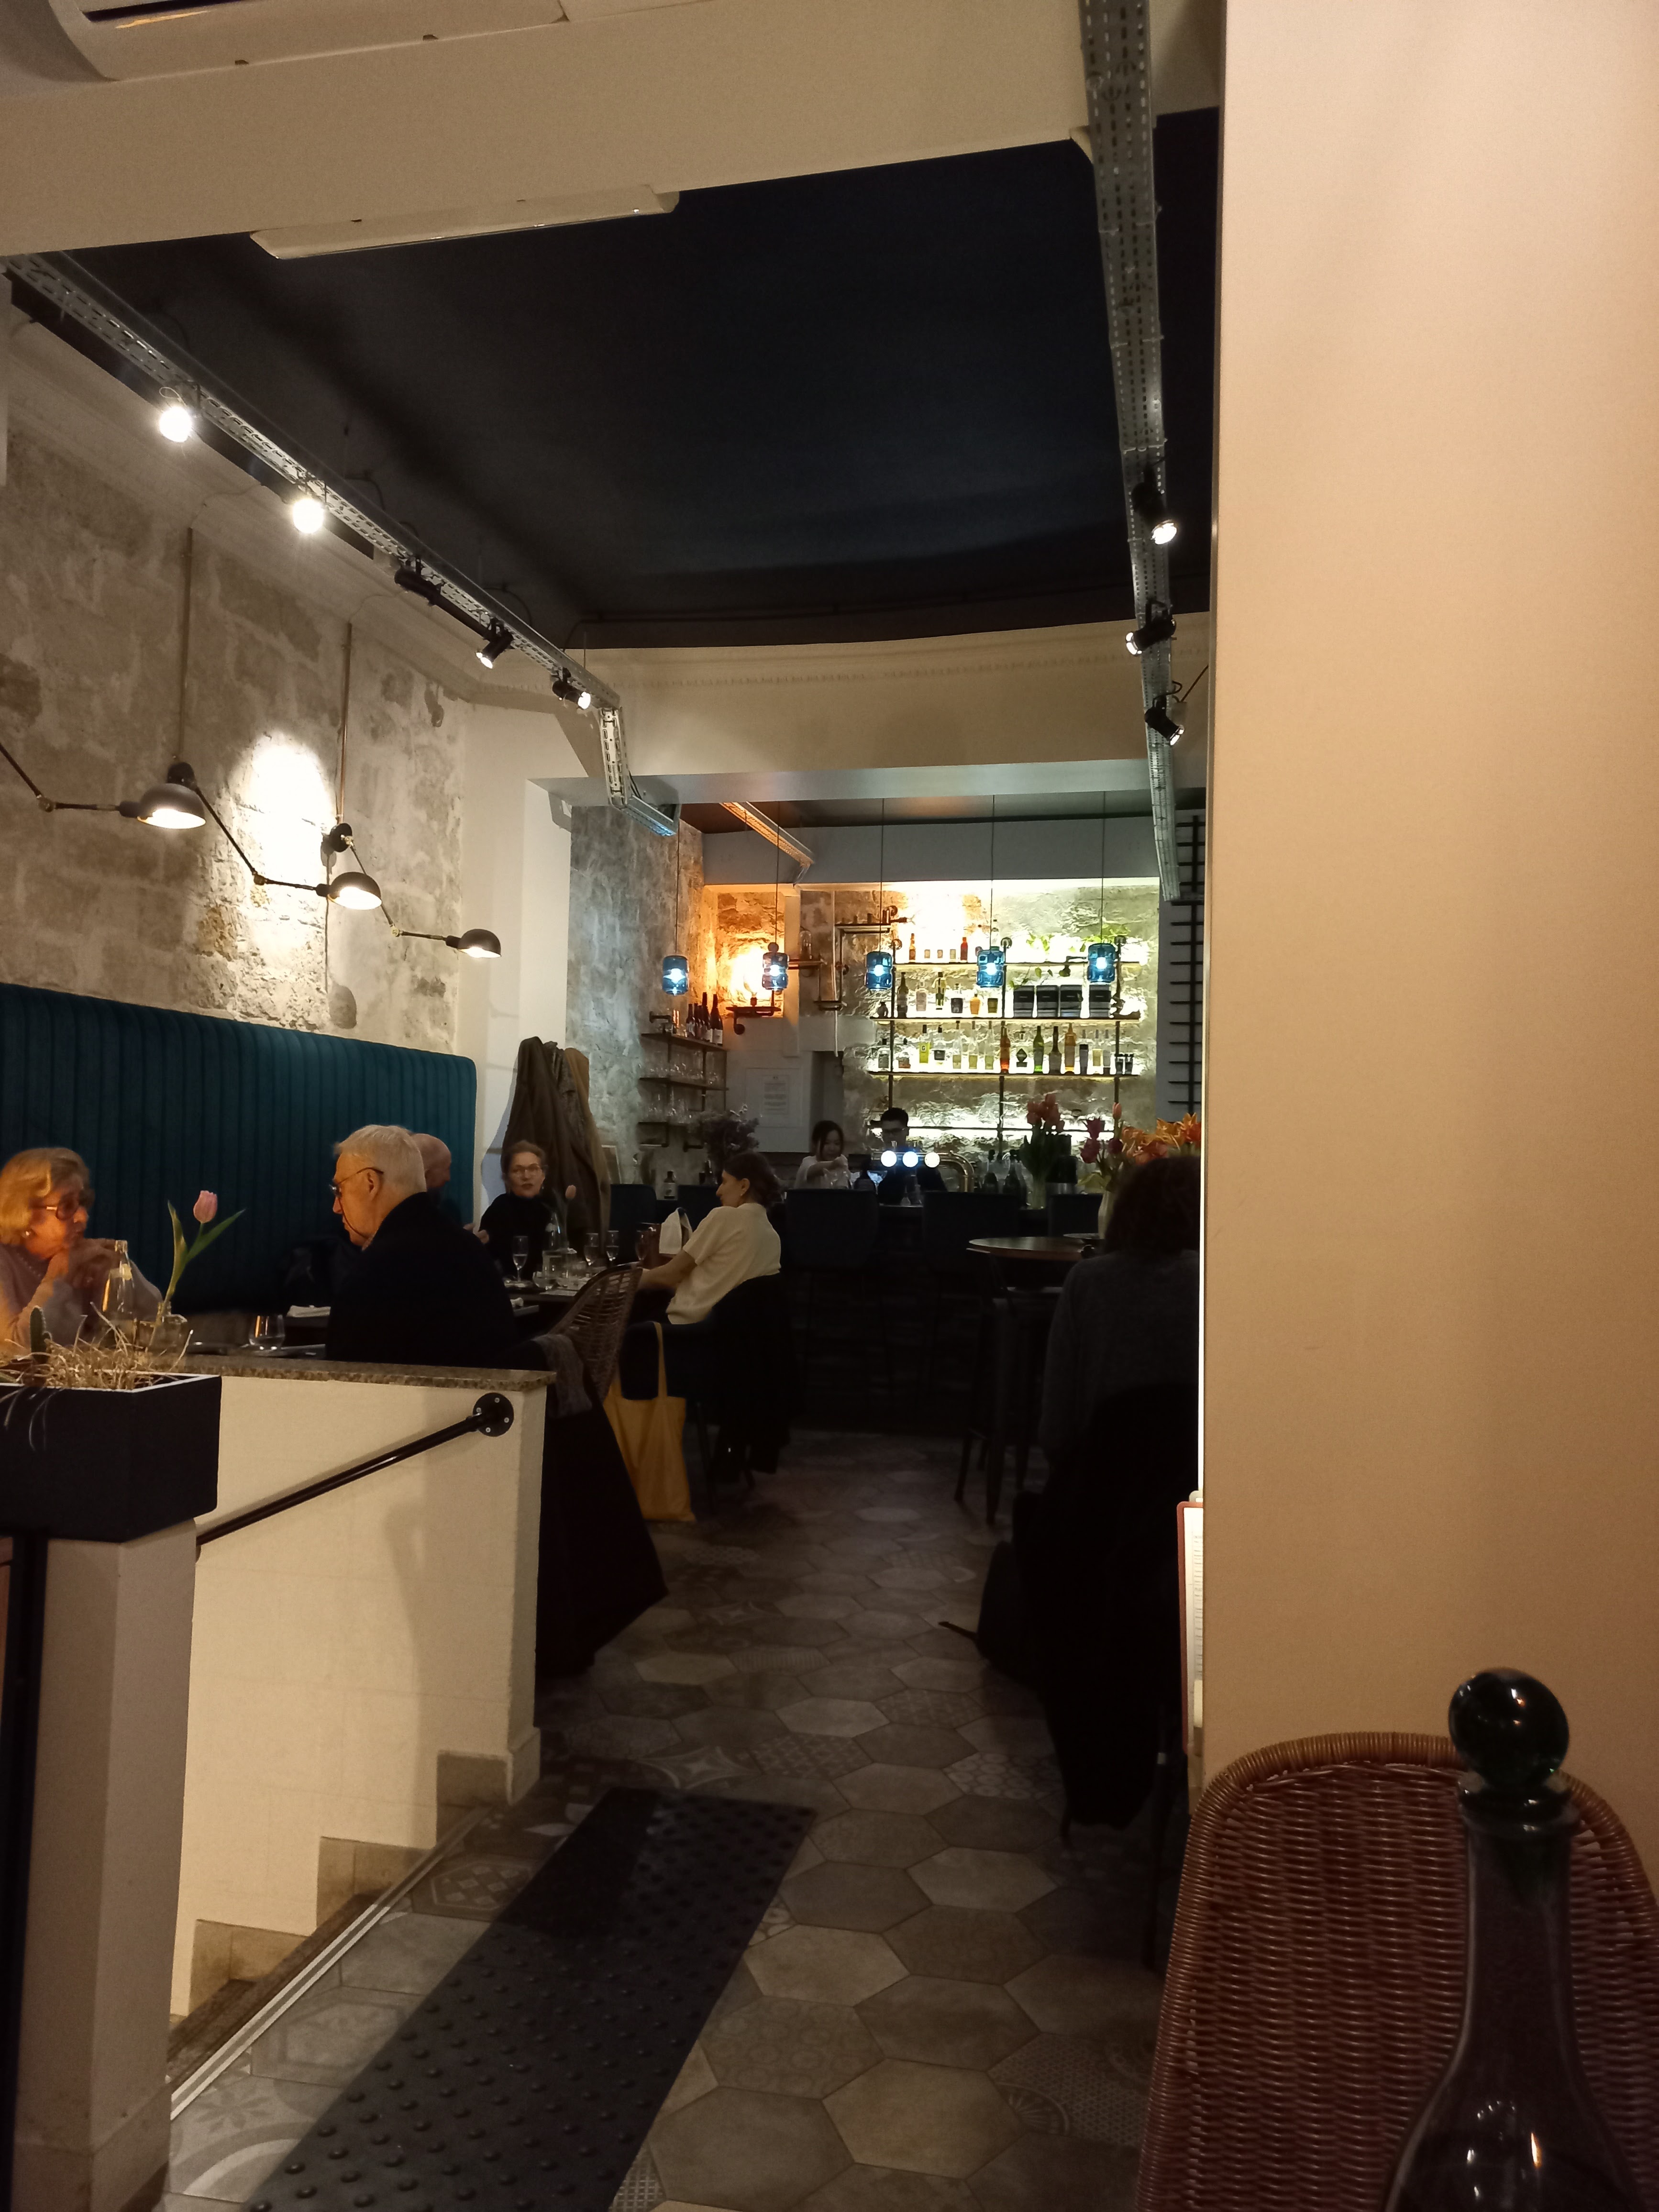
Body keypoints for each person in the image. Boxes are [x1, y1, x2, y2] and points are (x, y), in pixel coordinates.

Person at [1038, 1152, 1200, 1461]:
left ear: (1128, 1209)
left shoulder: (1088, 1280)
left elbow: (1057, 1415)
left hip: (1103, 1467)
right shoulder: (1215, 1283)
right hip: (1195, 1469)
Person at [326, 1123, 524, 1369]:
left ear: (371, 1183)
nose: (336, 1207)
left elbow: (345, 1378)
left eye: (339, 1190)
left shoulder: (379, 1270)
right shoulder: (467, 1246)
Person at [0, 1146, 161, 1351]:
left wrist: (120, 1269)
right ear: (25, 1212)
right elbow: (14, 1350)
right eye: (67, 1206)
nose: (83, 1217)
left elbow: (157, 1325)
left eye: (83, 1202)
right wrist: (58, 1277)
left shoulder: (82, 1257)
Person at [640, 1150, 783, 1327]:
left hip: (689, 1326)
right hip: (729, 1333)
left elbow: (672, 1275)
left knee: (630, 1328)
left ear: (744, 1186)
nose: (718, 1191)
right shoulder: (773, 1238)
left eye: (724, 1182)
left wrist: (632, 1281)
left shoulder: (725, 1216)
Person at [477, 1140, 565, 1275]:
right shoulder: (498, 1211)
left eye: (533, 1169)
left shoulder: (551, 1209)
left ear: (543, 1174)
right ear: (506, 1178)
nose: (526, 1176)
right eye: (517, 1170)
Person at [874, 1105, 946, 1206]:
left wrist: (923, 1198)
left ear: (907, 1131)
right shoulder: (874, 1163)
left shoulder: (923, 1164)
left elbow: (942, 1199)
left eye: (896, 1131)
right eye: (887, 1132)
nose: (891, 1136)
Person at [795, 1120, 852, 1188]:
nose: (832, 1148)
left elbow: (841, 1190)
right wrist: (833, 1164)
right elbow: (814, 1169)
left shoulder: (840, 1165)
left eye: (837, 1144)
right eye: (826, 1143)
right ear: (815, 1144)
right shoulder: (808, 1162)